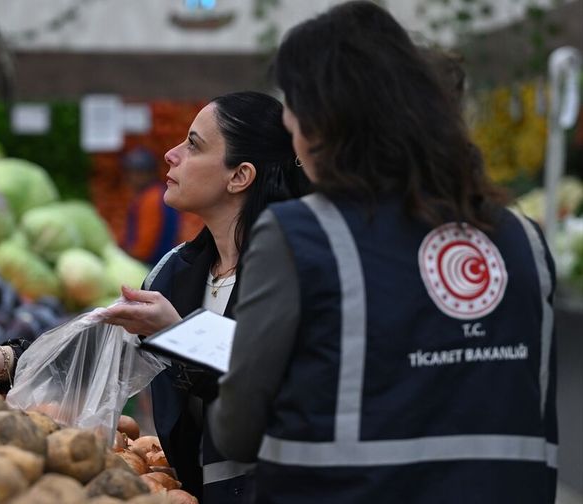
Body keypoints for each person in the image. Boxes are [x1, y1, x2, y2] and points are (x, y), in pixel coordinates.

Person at [207, 3, 558, 504]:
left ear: (327, 120)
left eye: (294, 103)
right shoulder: (523, 237)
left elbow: (238, 429)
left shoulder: (301, 234)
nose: (287, 121)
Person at [0, 91, 310, 503]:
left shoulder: (297, 274)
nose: (171, 155)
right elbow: (108, 350)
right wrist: (0, 359)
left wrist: (179, 334)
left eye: (193, 145)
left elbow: (283, 385)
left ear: (240, 176)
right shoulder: (178, 272)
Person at [120, 146, 182, 265]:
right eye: (130, 173)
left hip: (153, 266)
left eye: (137, 173)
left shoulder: (152, 198)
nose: (131, 178)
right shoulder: (153, 194)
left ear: (150, 173)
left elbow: (143, 249)